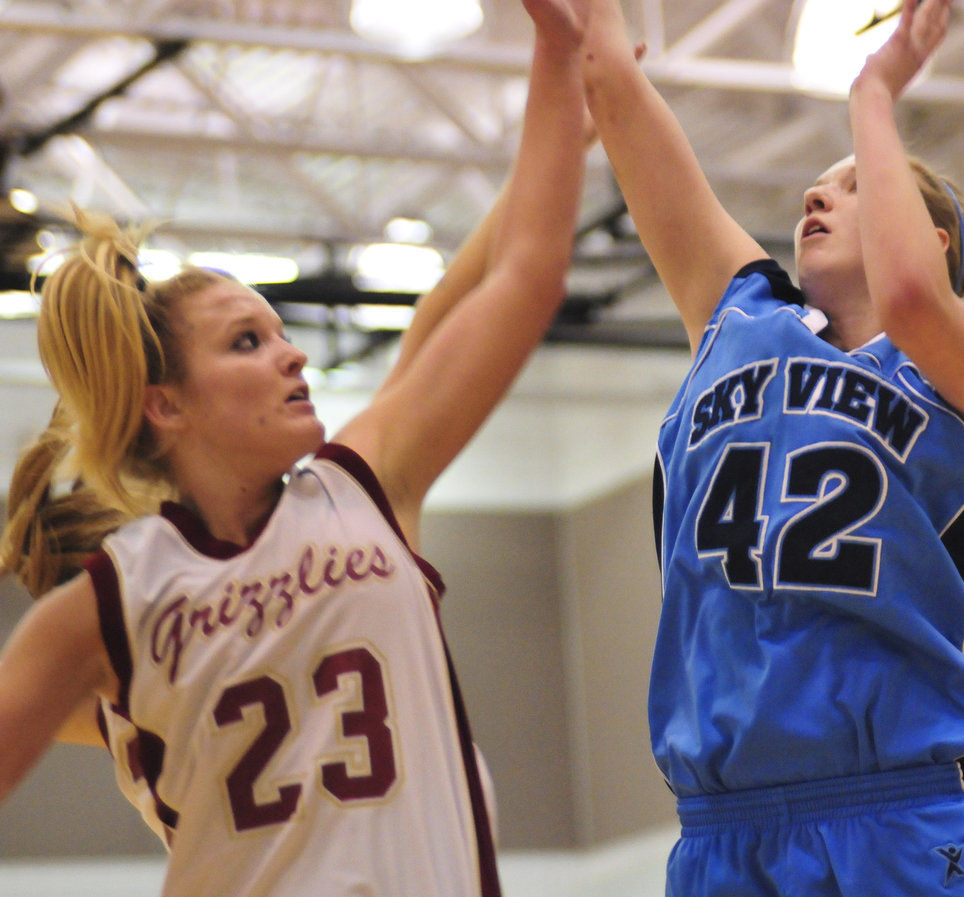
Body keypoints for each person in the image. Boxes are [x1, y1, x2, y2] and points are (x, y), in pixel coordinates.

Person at [0, 0, 588, 893]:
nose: (295, 352)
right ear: (166, 406)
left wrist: (559, 53)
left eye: (279, 332)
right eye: (247, 341)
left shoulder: (363, 485)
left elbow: (520, 279)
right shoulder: (117, 605)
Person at [582, 0, 964, 895]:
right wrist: (574, 29)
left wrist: (875, 93)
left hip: (906, 817)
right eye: (821, 184)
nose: (816, 196)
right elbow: (614, 92)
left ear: (932, 242)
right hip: (724, 834)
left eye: (850, 186)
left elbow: (916, 301)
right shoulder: (736, 319)